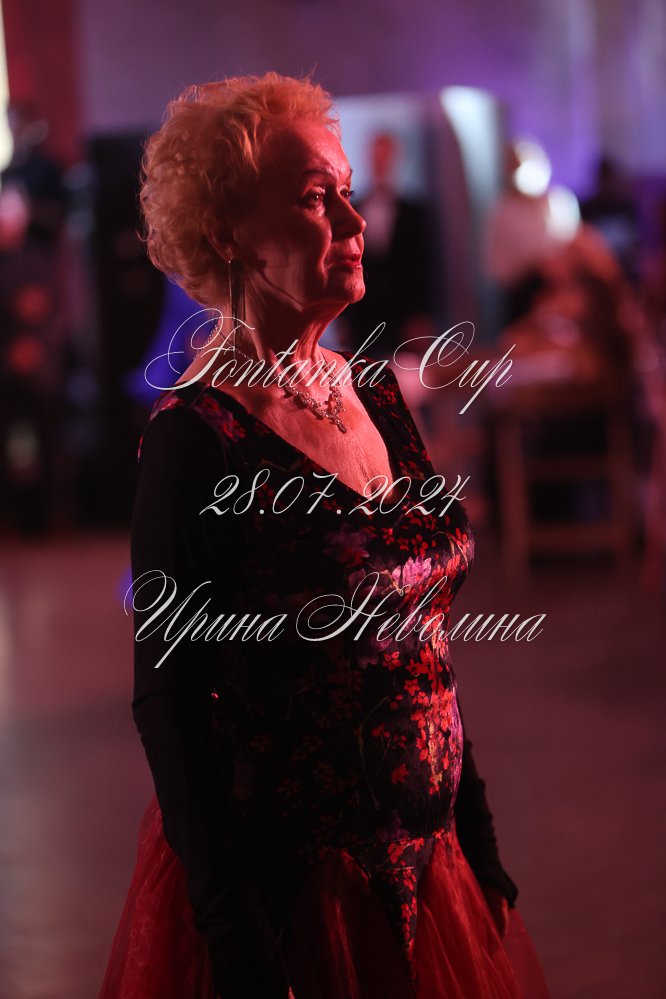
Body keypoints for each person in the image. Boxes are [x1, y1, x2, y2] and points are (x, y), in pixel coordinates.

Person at [99, 73, 549, 999]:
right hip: (295, 893)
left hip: (433, 866)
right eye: (315, 197)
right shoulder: (196, 438)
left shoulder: (375, 390)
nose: (353, 219)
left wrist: (476, 831)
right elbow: (168, 700)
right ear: (230, 233)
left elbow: (422, 644)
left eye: (346, 190)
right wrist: (236, 933)